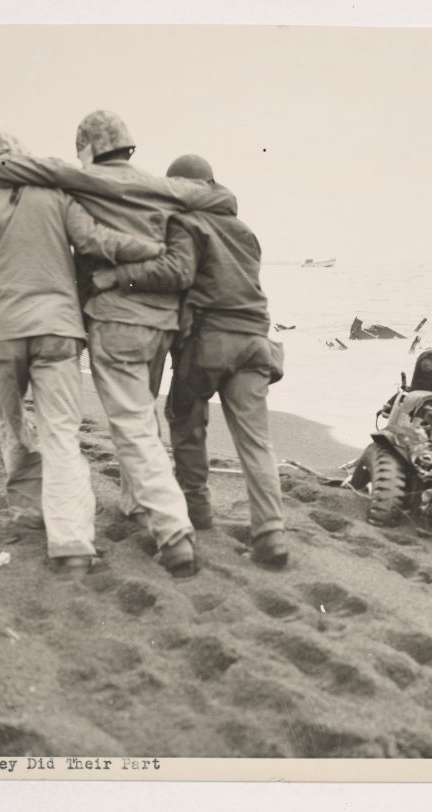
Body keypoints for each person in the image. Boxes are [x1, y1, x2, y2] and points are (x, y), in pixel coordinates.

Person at [0, 111, 239, 577]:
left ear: (88, 148)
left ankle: (170, 530)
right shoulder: (156, 186)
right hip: (160, 323)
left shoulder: (80, 178)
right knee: (138, 417)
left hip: (108, 321)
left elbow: (22, 179)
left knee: (123, 425)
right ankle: (135, 510)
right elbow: (217, 198)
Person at [0, 130, 166, 572]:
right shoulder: (56, 198)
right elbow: (96, 242)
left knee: (11, 425)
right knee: (62, 434)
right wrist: (149, 250)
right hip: (59, 331)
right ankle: (71, 542)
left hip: (2, 332)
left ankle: (30, 512)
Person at [116, 154, 289, 567]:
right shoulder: (245, 231)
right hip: (256, 342)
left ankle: (197, 510)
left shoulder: (187, 224)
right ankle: (271, 535)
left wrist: (122, 278)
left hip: (211, 344)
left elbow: (176, 276)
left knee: (185, 418)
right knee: (256, 443)